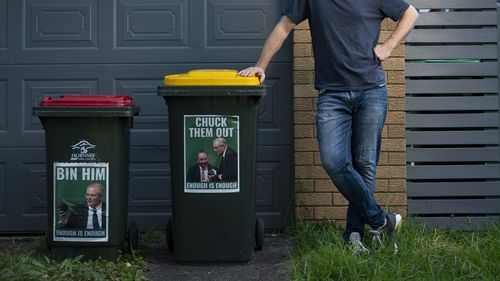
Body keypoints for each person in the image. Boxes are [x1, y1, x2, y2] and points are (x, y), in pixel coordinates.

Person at [239, 0, 419, 253]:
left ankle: (354, 235)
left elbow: (410, 13)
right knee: (333, 160)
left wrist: (388, 46)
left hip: (372, 91)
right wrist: (261, 65)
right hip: (331, 95)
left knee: (365, 163)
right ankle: (381, 220)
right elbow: (284, 26)